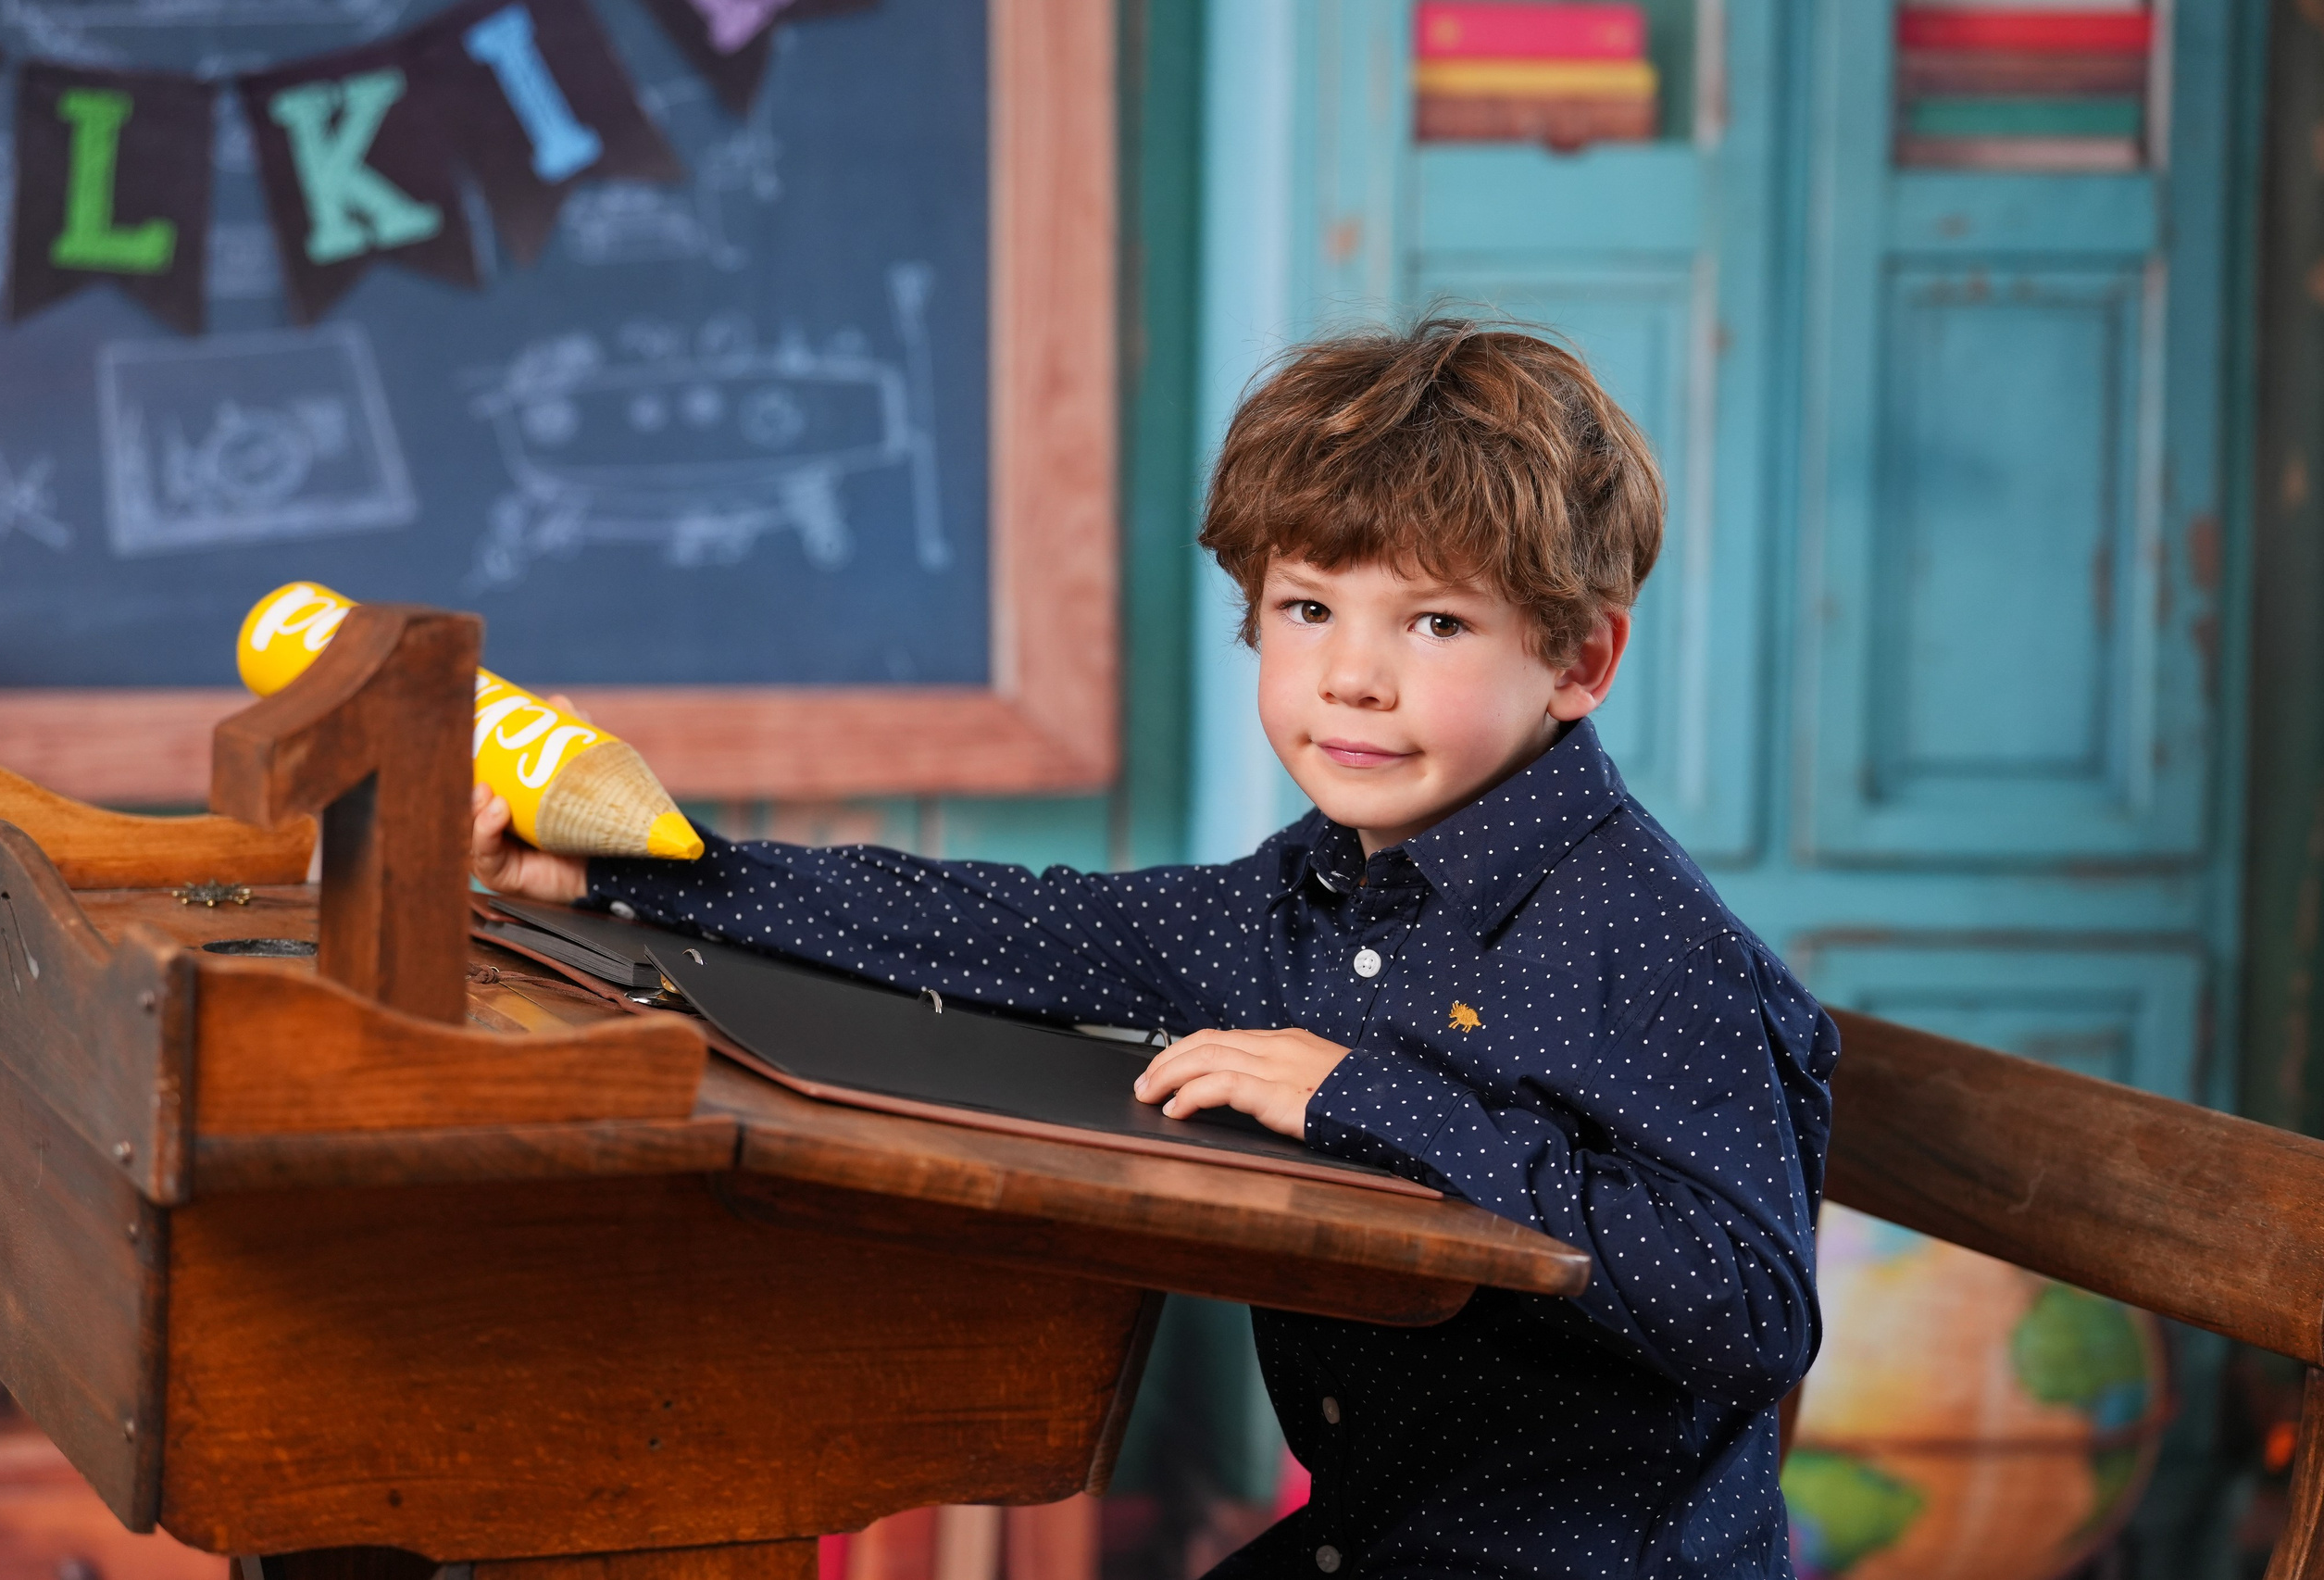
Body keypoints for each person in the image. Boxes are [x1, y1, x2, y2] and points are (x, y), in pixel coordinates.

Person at [473, 318, 1837, 1580]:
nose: (1352, 676)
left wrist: (1359, 1094)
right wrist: (640, 865)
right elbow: (999, 927)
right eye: (1309, 608)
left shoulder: (1646, 939)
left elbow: (1754, 1309)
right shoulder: (1308, 896)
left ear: (1581, 660)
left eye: (1433, 621)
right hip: (1373, 1543)